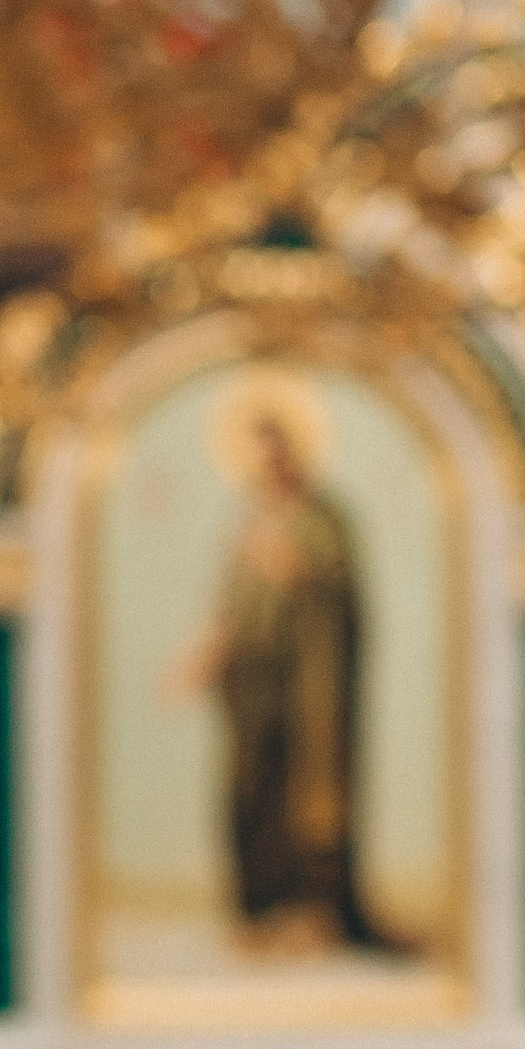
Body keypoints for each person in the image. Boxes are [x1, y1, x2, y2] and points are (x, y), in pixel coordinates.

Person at [171, 398, 401, 954]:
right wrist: (206, 653)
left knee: (313, 796)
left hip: (309, 689)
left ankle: (314, 914)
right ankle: (258, 913)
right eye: (259, 455)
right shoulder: (247, 522)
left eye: (278, 451)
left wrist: (299, 567)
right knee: (249, 794)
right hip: (252, 690)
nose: (269, 465)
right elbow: (232, 607)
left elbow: (338, 591)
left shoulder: (326, 519)